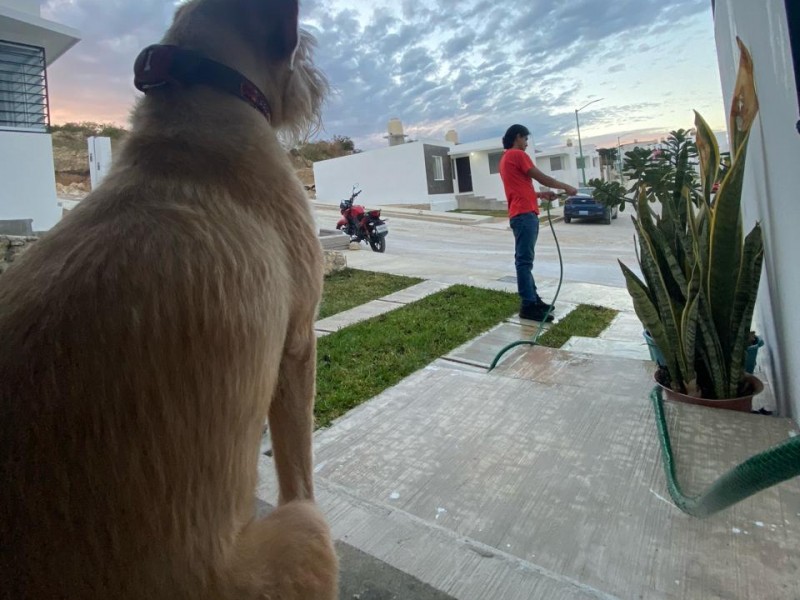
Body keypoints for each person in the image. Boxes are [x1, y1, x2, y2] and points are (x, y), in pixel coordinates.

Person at [499, 124, 577, 322]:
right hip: (524, 215)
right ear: (517, 137)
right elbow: (540, 176)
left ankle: (533, 299)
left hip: (520, 213)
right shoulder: (517, 155)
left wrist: (541, 194)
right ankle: (528, 305)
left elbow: (520, 189)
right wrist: (565, 186)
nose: (526, 144)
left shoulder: (505, 159)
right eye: (525, 139)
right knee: (524, 261)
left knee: (524, 260)